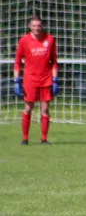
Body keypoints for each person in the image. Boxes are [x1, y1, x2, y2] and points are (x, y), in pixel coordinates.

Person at [14, 15, 59, 145]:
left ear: (42, 26)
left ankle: (44, 139)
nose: (37, 28)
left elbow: (54, 62)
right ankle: (25, 138)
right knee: (28, 107)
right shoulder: (23, 41)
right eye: (34, 26)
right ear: (30, 27)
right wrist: (16, 80)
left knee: (44, 109)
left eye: (39, 26)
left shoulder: (49, 39)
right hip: (30, 79)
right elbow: (17, 62)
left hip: (46, 79)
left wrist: (55, 79)